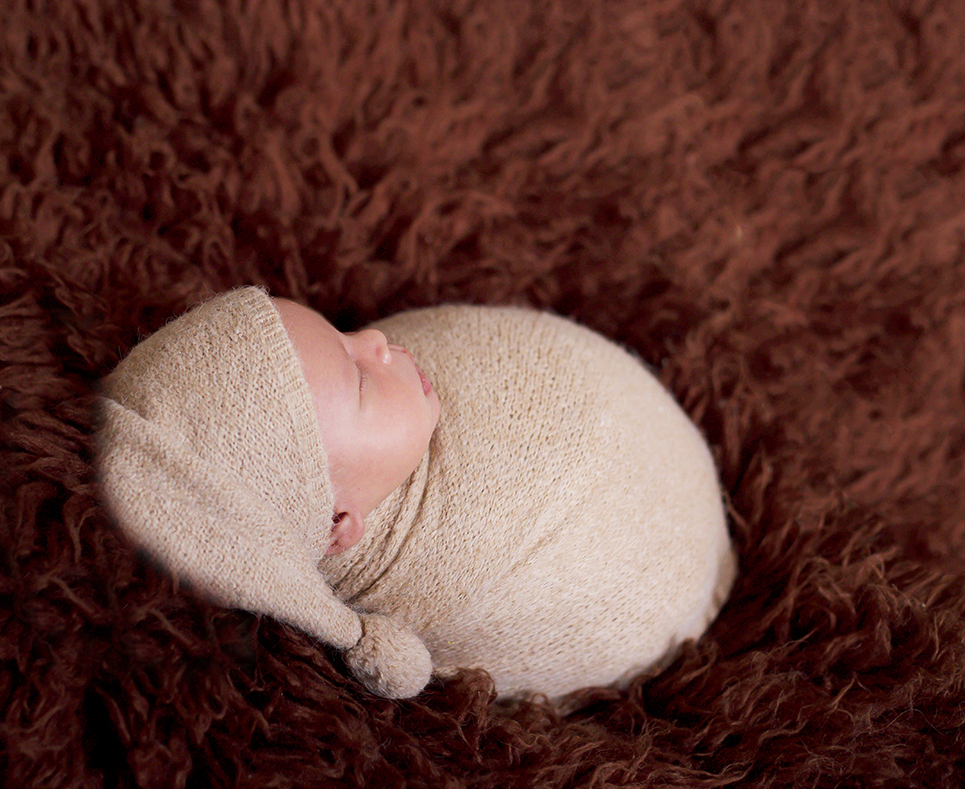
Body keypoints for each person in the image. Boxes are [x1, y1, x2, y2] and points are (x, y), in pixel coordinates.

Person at [95, 286, 736, 700]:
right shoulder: (464, 555)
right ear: (338, 525)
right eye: (363, 379)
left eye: (343, 334)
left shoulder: (364, 413)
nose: (377, 343)